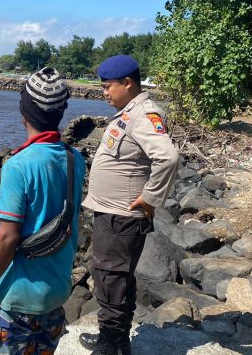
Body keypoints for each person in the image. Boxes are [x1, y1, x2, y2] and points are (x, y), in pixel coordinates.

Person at [0, 67, 86, 355]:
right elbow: (49, 203)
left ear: (24, 110)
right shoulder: (74, 159)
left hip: (20, 300)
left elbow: (7, 239)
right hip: (55, 291)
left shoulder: (18, 164)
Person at [77, 55, 179, 355]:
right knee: (115, 277)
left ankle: (111, 346)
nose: (104, 93)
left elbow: (168, 157)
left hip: (122, 216)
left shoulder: (143, 114)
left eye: (108, 87)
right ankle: (116, 340)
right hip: (112, 212)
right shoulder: (129, 112)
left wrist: (150, 197)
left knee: (111, 277)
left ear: (127, 83)